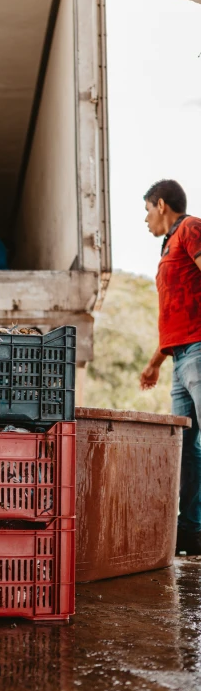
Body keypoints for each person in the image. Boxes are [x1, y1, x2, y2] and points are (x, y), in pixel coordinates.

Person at [140, 179, 201, 555]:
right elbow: (173, 317)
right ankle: (191, 533)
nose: (146, 220)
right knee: (187, 449)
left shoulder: (192, 227)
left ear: (161, 204)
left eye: (147, 210)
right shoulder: (168, 247)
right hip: (180, 358)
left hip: (199, 350)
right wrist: (154, 365)